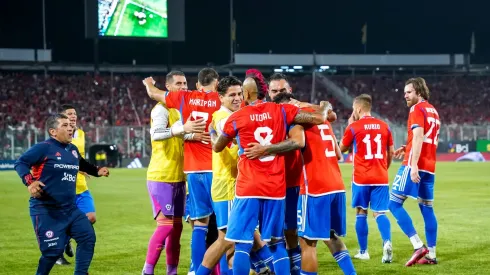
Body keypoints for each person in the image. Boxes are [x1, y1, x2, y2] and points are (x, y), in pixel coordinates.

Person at [212, 96, 332, 275]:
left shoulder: (238, 116)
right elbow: (320, 118)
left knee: (242, 245)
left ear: (246, 95)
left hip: (248, 188)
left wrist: (214, 135)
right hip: (275, 188)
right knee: (276, 243)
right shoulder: (281, 110)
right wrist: (325, 105)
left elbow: (218, 147)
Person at [245, 93, 356, 275]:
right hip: (336, 184)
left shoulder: (297, 121)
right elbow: (338, 155)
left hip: (314, 188)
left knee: (307, 243)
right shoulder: (323, 120)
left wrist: (266, 149)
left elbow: (298, 142)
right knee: (330, 235)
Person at [143, 68, 221, 271]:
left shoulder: (181, 106)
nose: (183, 87)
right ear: (168, 87)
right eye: (178, 84)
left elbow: (182, 133)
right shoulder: (161, 108)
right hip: (162, 174)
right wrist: (183, 129)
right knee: (167, 226)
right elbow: (157, 134)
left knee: (177, 228)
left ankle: (173, 270)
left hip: (181, 175)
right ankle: (147, 270)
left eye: (185, 83)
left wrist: (192, 135)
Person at [14, 114, 109, 275]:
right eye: (65, 125)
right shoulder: (44, 148)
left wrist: (97, 171)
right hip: (46, 210)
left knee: (87, 238)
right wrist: (30, 182)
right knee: (52, 252)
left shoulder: (72, 150)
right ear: (53, 131)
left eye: (70, 125)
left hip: (70, 209)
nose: (70, 127)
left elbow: (82, 164)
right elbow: (21, 162)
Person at [388, 77, 441, 266]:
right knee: (427, 208)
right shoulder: (433, 110)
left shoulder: (416, 109)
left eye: (408, 92)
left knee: (393, 203)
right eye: (404, 93)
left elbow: (419, 136)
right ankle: (432, 255)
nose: (405, 96)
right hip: (430, 166)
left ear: (418, 91)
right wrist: (408, 145)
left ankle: (418, 245)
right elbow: (424, 138)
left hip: (414, 164)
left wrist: (414, 163)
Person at [339, 94, 394, 263]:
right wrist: (385, 168)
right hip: (381, 176)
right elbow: (391, 152)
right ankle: (387, 242)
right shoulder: (384, 126)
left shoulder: (354, 127)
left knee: (361, 212)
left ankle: (363, 251)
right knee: (380, 213)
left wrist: (349, 126)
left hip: (361, 178)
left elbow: (341, 149)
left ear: (358, 108)